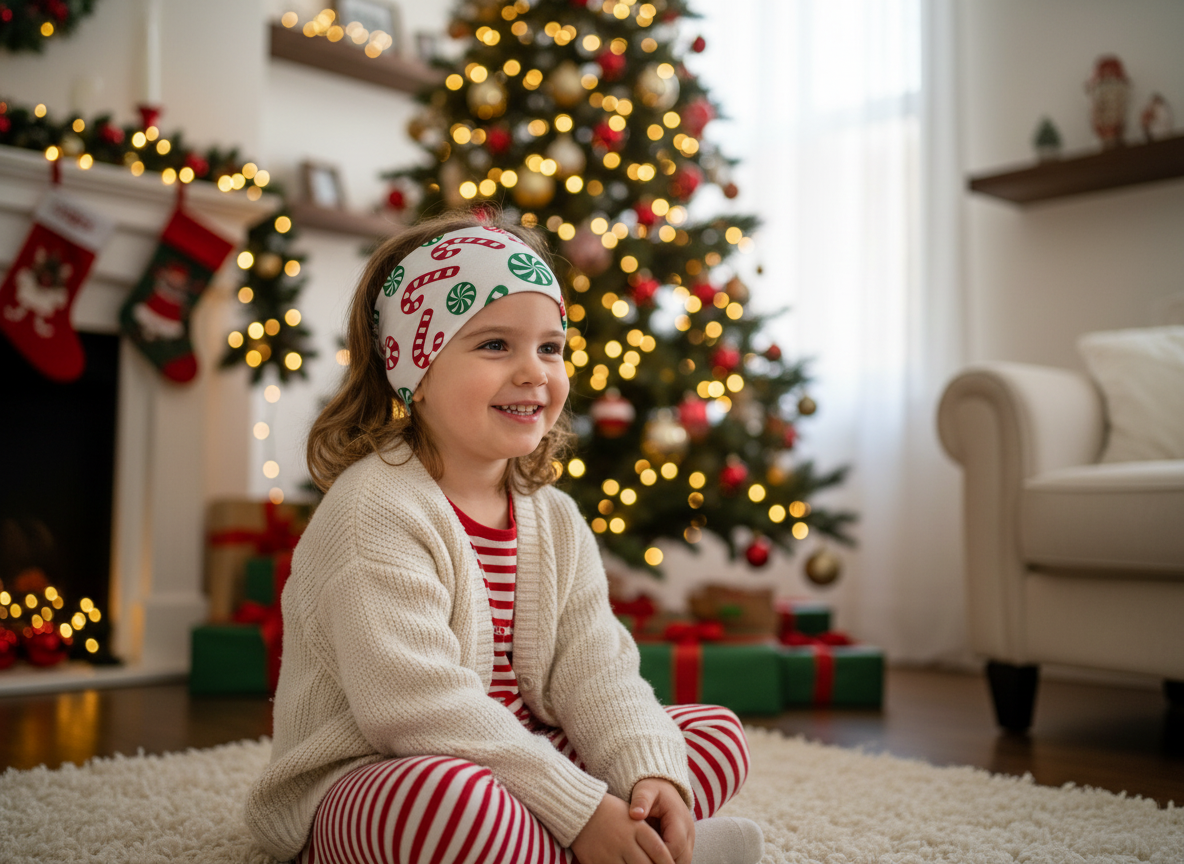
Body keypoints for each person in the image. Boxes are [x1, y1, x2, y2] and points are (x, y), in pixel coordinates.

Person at [244, 212, 764, 864]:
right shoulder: (372, 511)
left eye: (550, 348)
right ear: (418, 373)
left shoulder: (553, 518)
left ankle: (616, 841)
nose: (533, 372)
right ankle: (617, 850)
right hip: (377, 774)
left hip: (524, 760)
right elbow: (417, 708)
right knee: (451, 800)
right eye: (495, 346)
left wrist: (645, 776)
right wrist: (579, 811)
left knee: (708, 736)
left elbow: (596, 670)